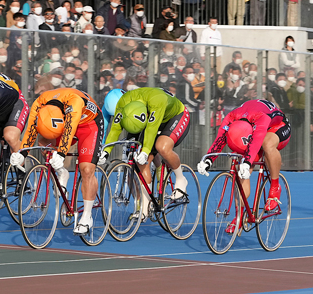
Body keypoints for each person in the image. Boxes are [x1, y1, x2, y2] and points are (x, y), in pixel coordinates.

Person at [14, 88, 104, 235]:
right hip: (64, 123)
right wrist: (23, 153)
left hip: (89, 125)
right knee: (44, 142)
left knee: (87, 169)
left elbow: (69, 130)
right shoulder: (39, 103)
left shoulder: (74, 102)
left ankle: (87, 217)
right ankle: (62, 172)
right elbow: (31, 129)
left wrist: (61, 154)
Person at [198, 99, 291, 232]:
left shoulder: (260, 117)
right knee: (239, 162)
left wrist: (247, 162)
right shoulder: (230, 117)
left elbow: (257, 139)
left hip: (277, 126)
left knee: (267, 144)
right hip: (251, 128)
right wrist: (208, 160)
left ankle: (275, 187)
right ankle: (240, 215)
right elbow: (220, 139)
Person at [100, 87, 191, 220]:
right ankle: (146, 205)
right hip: (151, 121)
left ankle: (181, 179)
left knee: (162, 147)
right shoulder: (123, 103)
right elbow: (115, 129)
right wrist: (106, 151)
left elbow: (151, 129)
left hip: (176, 116)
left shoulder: (156, 100)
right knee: (141, 161)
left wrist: (145, 151)